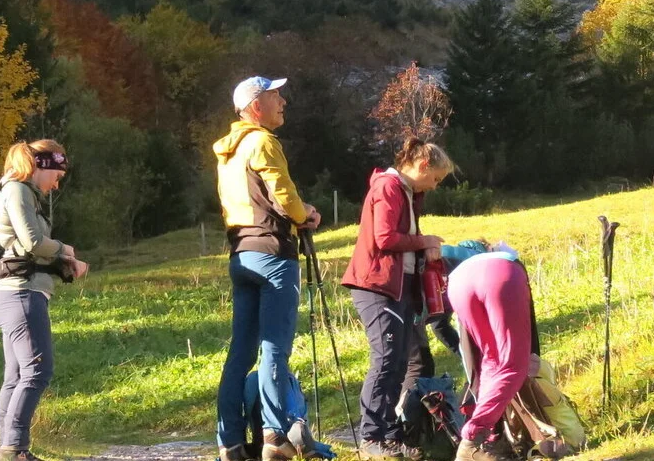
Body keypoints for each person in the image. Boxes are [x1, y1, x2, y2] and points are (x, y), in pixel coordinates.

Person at [213, 76, 323, 461]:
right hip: (274, 254)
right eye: (276, 95)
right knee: (274, 348)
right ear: (256, 106)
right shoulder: (262, 141)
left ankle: (229, 442)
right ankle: (275, 436)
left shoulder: (228, 150)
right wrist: (305, 214)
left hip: (241, 254)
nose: (283, 101)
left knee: (240, 352)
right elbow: (283, 194)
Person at [340, 139, 454, 459]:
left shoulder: (409, 193)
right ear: (422, 166)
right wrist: (424, 241)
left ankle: (391, 434)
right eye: (435, 178)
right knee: (386, 359)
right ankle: (371, 437)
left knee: (401, 361)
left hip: (399, 288)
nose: (434, 186)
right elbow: (385, 237)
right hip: (376, 285)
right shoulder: (388, 187)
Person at [0, 140, 91, 461]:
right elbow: (32, 241)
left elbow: (29, 248)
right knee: (37, 371)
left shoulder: (21, 192)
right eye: (57, 176)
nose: (57, 184)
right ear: (41, 166)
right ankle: (14, 449)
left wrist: (60, 263)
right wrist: (66, 250)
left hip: (16, 293)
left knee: (17, 376)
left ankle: (8, 448)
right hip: (21, 294)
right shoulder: (18, 190)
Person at [447, 243, 536, 461]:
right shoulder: (508, 259)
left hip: (457, 282)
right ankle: (472, 439)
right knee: (513, 365)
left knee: (491, 360)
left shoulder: (473, 259)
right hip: (501, 276)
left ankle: (488, 442)